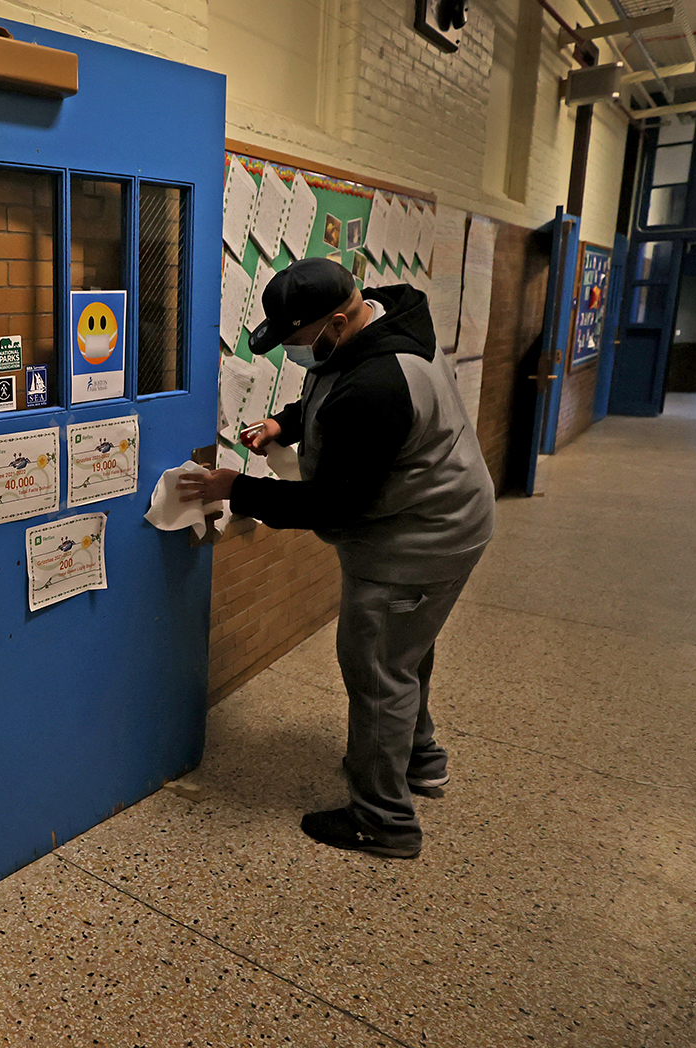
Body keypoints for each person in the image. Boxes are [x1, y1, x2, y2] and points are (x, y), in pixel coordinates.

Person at [182, 257, 494, 859]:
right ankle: (421, 761)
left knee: (376, 664)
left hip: (420, 537)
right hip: (446, 516)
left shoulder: (379, 383)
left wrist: (235, 489)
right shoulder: (381, 323)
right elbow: (332, 392)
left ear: (339, 319)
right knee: (407, 647)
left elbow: (334, 505)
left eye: (298, 342)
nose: (296, 355)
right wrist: (285, 422)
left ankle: (383, 821)